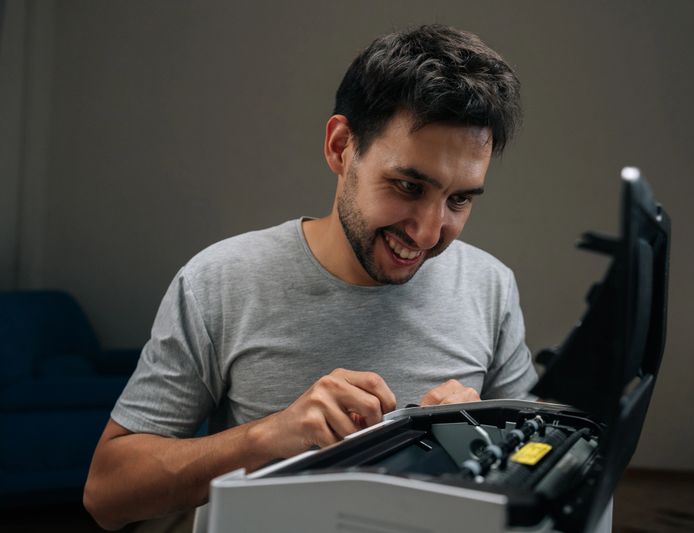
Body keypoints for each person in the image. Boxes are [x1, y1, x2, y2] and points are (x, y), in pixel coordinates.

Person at [84, 24, 536, 530]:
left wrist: (486, 433)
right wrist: (266, 438)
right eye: (408, 186)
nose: (430, 233)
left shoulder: (490, 286)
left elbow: (545, 455)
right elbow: (107, 494)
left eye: (460, 200)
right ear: (342, 147)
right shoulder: (220, 281)